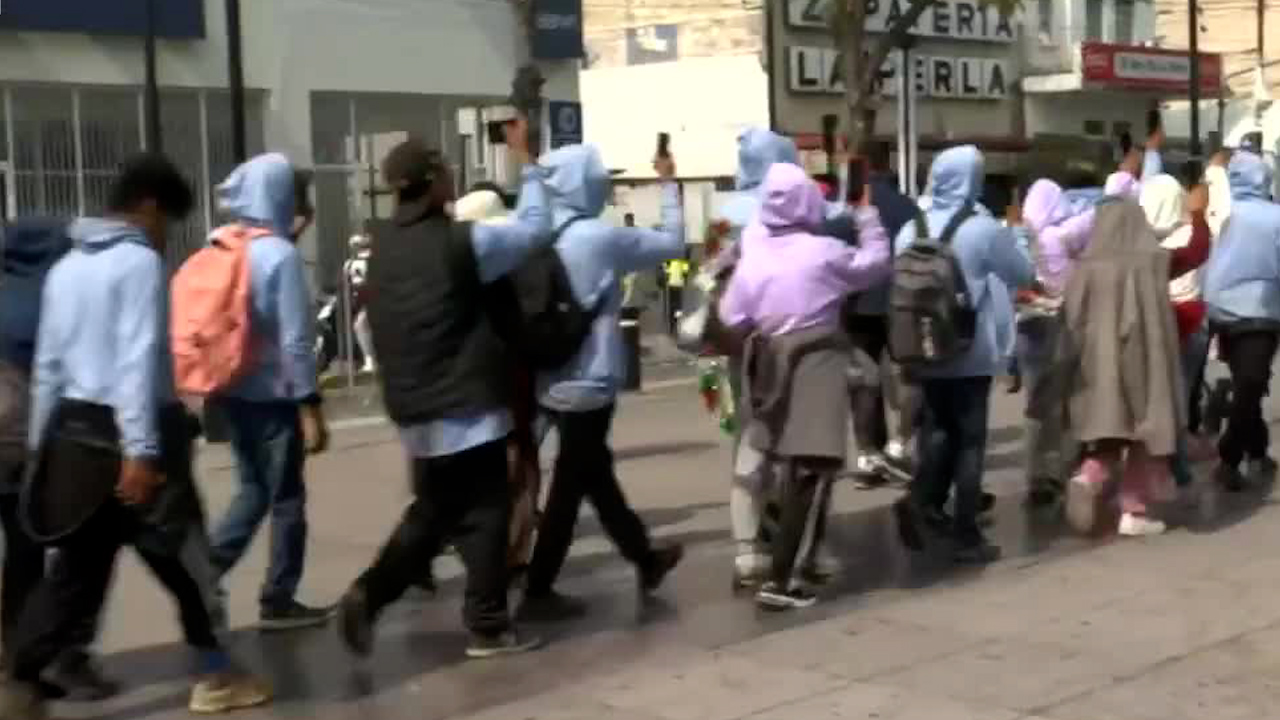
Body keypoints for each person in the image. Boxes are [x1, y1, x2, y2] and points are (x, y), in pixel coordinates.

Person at [0, 154, 269, 720]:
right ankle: (216, 674)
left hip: (71, 431)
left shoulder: (68, 267)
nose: (165, 234)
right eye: (167, 220)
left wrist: (41, 448)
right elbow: (136, 360)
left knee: (74, 568)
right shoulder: (138, 264)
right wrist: (141, 450)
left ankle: (20, 680)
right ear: (148, 206)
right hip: (136, 435)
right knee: (187, 564)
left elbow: (48, 364)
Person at [335, 122, 551, 659]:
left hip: (415, 409)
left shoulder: (381, 248)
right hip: (468, 405)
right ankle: (486, 623)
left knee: (435, 512)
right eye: (445, 169)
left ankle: (375, 594)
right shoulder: (466, 243)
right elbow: (536, 228)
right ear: (432, 182)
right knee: (485, 511)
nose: (453, 175)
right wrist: (526, 156)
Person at [519, 143, 685, 618]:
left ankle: (644, 557)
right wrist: (667, 184)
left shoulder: (537, 233)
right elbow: (672, 242)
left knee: (594, 475)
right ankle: (538, 588)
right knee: (572, 488)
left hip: (550, 376)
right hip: (589, 382)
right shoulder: (599, 239)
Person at [719, 162, 890, 609]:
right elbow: (875, 266)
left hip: (768, 361)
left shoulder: (754, 257)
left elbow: (732, 317)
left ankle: (777, 559)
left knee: (772, 462)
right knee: (812, 468)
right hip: (817, 359)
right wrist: (867, 218)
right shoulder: (823, 252)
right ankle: (785, 576)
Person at [892, 146, 1035, 564]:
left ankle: (922, 499)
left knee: (936, 430)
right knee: (971, 442)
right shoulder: (981, 228)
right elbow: (1023, 273)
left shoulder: (909, 228)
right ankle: (966, 533)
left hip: (920, 347)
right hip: (968, 349)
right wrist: (1018, 234)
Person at [207, 154, 332, 632]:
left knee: (253, 490)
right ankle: (278, 598)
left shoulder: (223, 242)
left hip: (230, 389)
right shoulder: (279, 255)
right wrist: (310, 407)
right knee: (287, 500)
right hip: (274, 397)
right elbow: (296, 341)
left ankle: (208, 571)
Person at [0, 218, 119, 701]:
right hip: (35, 443)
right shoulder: (50, 296)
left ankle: (14, 648)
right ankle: (55, 655)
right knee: (61, 553)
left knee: (22, 551)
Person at [1061, 193, 1191, 537]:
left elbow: (1071, 320)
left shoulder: (1086, 264)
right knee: (1143, 435)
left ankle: (1089, 477)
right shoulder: (1151, 262)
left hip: (1098, 369)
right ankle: (1134, 509)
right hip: (1145, 364)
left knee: (1109, 429)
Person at [713, 128, 801, 588]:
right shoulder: (804, 210)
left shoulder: (724, 216)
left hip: (735, 344)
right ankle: (783, 527)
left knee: (747, 439)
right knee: (791, 442)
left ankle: (748, 546)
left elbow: (706, 275)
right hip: (791, 343)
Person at [836, 142, 919, 489]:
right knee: (905, 377)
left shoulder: (848, 210)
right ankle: (901, 446)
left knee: (863, 382)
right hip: (899, 302)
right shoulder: (908, 207)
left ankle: (869, 453)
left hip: (856, 305)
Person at [1202, 149, 1280, 491]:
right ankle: (1230, 457)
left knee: (1248, 382)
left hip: (1220, 310)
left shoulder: (1223, 211)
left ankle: (1257, 451)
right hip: (1260, 312)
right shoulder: (1273, 217)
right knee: (1251, 384)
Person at [1017, 178, 1097, 507]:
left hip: (1025, 327)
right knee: (1062, 402)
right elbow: (1093, 218)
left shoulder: (1021, 236)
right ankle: (1056, 471)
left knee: (1035, 404)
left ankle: (1035, 474)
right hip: (1056, 325)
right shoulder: (1057, 236)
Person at [1139, 175, 1215, 490]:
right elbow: (1198, 255)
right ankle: (1177, 461)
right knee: (1181, 393)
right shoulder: (1191, 234)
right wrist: (1199, 215)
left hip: (1150, 323)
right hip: (1188, 319)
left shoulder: (1136, 240)